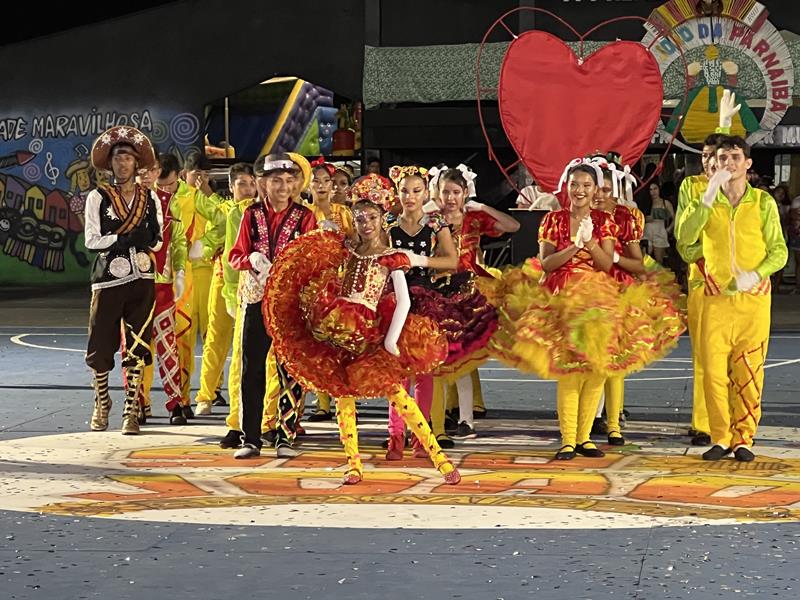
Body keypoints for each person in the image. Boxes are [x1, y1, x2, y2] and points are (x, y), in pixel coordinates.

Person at [264, 174, 460, 485]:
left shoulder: (390, 257)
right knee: (343, 397)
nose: (365, 224)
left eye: (371, 217)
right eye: (359, 218)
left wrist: (392, 339)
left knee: (398, 394)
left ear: (383, 219)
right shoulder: (347, 248)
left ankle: (439, 458)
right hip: (334, 326)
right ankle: (353, 463)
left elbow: (404, 300)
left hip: (368, 331)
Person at [676, 135, 787, 462]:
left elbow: (779, 251)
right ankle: (721, 437)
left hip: (753, 302)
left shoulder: (763, 203)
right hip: (715, 300)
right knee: (713, 372)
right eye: (722, 159)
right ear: (714, 165)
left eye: (735, 157)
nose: (728, 163)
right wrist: (707, 199)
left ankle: (743, 438)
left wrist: (757, 274)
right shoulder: (705, 202)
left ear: (747, 164)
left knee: (748, 371)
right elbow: (684, 242)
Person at [227, 153, 317, 458]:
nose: (283, 186)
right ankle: (250, 438)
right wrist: (251, 259)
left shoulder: (305, 217)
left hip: (290, 304)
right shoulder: (250, 215)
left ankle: (285, 436)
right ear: (263, 183)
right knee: (252, 367)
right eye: (276, 180)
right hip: (256, 299)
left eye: (289, 180)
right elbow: (235, 255)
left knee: (289, 370)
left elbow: (312, 259)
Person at [85, 126, 163, 435]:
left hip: (142, 277)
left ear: (136, 163)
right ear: (110, 163)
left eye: (128, 158)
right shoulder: (98, 197)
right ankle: (102, 401)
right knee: (101, 341)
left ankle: (131, 408)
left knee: (139, 342)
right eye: (117, 158)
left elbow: (158, 239)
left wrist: (149, 239)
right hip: (107, 277)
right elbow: (91, 239)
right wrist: (121, 239)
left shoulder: (150, 197)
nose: (122, 163)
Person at [193, 163, 256, 416]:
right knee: (216, 338)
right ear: (231, 187)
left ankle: (247, 399)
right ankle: (205, 395)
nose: (248, 189)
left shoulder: (261, 211)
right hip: (223, 279)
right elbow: (213, 239)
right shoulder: (225, 211)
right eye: (242, 184)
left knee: (250, 345)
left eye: (252, 183)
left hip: (254, 282)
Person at [134, 154, 187, 425]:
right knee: (134, 348)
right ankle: (136, 402)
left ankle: (174, 403)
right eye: (140, 170)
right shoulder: (119, 204)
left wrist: (180, 271)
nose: (145, 175)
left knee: (168, 347)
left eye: (151, 170)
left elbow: (178, 241)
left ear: (158, 172)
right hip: (131, 287)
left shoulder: (168, 203)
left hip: (162, 286)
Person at [172, 153, 226, 416]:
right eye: (197, 174)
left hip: (207, 271)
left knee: (211, 333)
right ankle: (181, 395)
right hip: (181, 273)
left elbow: (224, 223)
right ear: (185, 174)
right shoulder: (177, 197)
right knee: (182, 334)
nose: (201, 178)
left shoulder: (215, 200)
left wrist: (205, 245)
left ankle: (213, 388)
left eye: (206, 174)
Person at [643, 182, 674, 264]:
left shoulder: (665, 203)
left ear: (659, 189)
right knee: (645, 260)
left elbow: (674, 218)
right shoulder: (646, 203)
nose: (653, 192)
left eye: (655, 188)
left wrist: (669, 229)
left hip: (660, 231)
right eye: (651, 189)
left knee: (659, 260)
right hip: (647, 231)